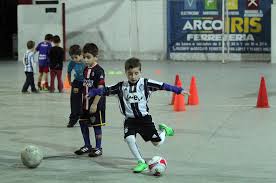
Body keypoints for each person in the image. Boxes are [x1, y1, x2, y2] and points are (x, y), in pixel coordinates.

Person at [88, 57, 190, 173]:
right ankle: (141, 162)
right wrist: (93, 92)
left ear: (140, 72)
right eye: (130, 74)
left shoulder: (146, 84)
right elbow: (106, 90)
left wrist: (179, 90)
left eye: (136, 73)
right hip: (130, 120)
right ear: (126, 73)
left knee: (157, 143)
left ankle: (164, 131)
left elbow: (163, 85)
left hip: (144, 119)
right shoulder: (121, 86)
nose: (133, 76)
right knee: (129, 138)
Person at [74, 43, 106, 157]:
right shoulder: (85, 69)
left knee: (96, 125)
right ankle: (87, 145)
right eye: (84, 57)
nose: (86, 60)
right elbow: (85, 84)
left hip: (95, 104)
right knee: (82, 123)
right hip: (85, 104)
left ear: (95, 57)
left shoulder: (99, 71)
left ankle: (98, 148)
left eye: (88, 57)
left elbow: (100, 89)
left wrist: (95, 104)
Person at [67, 44, 86, 128]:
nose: (74, 60)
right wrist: (69, 81)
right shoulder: (72, 63)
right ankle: (73, 119)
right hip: (77, 82)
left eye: (76, 57)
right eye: (72, 58)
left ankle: (86, 118)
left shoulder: (86, 62)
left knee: (87, 100)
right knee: (75, 100)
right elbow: (69, 71)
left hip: (86, 82)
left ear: (81, 55)